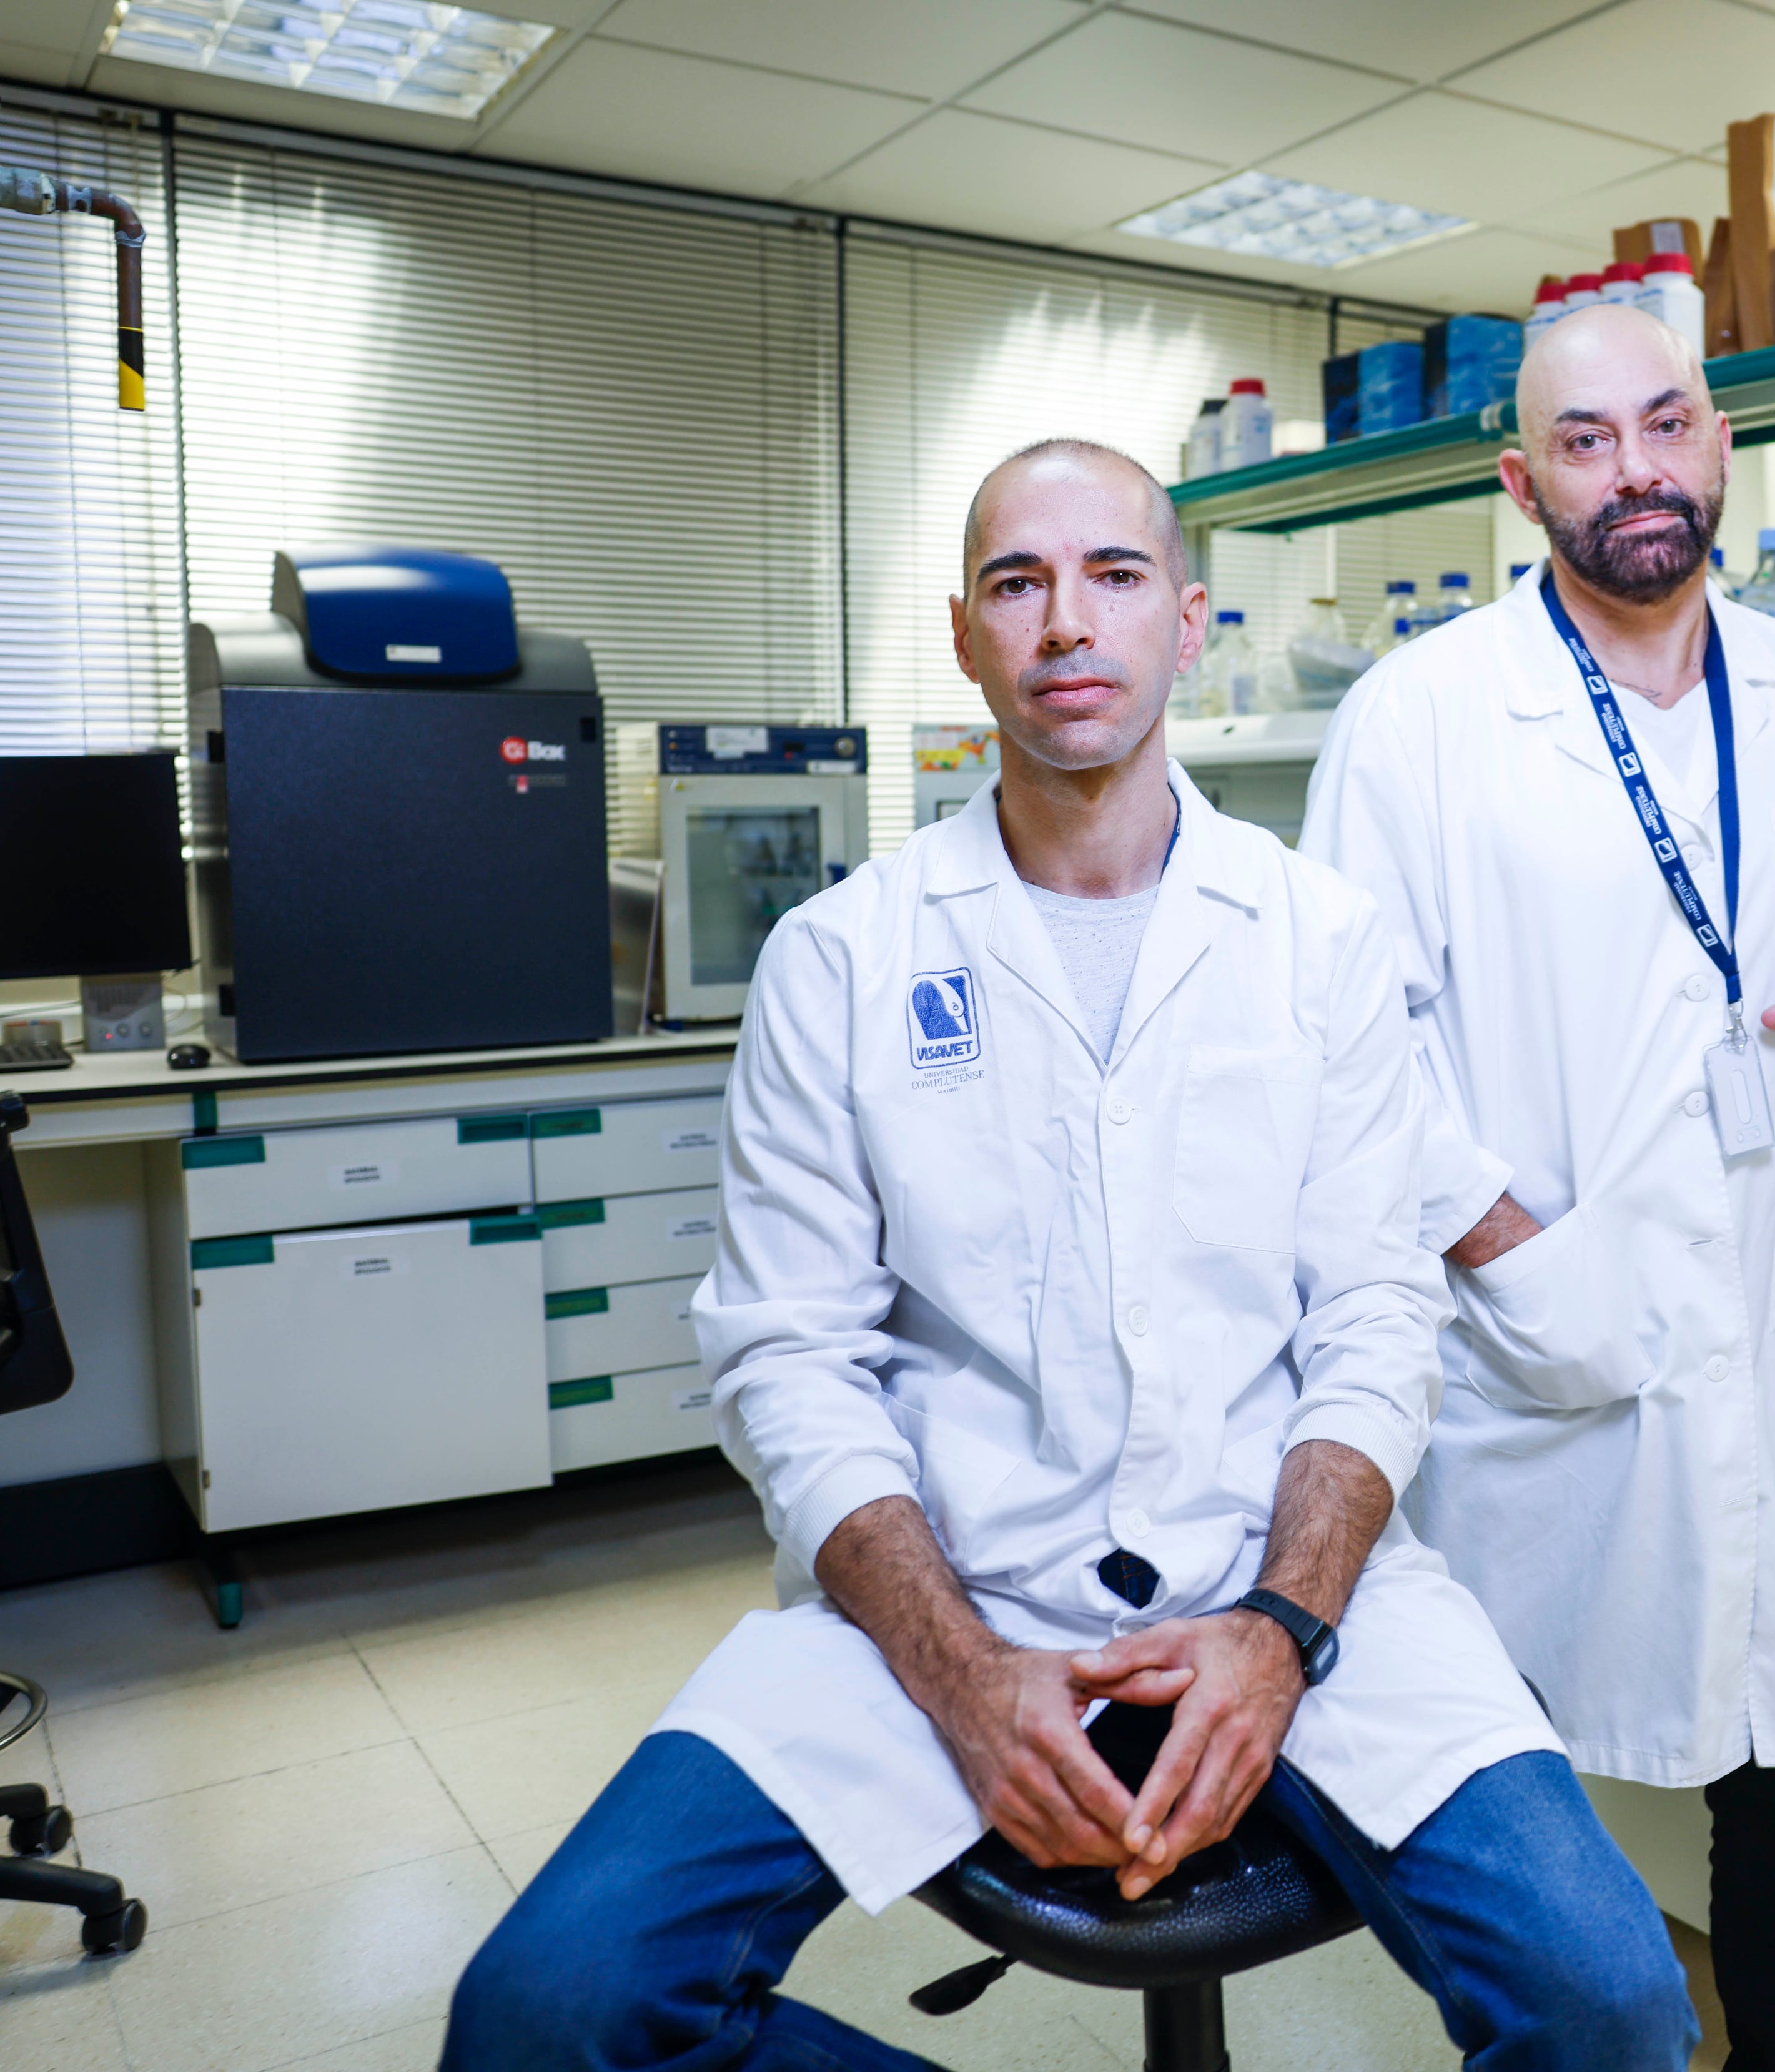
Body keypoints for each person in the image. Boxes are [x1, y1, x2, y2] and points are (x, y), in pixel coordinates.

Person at [444, 438, 1696, 2072]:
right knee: (545, 2014)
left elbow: (1381, 1323)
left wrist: (1281, 1628)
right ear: (966, 636)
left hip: (1305, 1600)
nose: (1066, 624)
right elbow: (788, 1360)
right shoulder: (843, 963)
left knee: (1612, 2003)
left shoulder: (1319, 942)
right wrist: (961, 1670)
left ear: (1183, 622)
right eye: (1019, 584)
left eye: (1111, 576)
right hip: (947, 1592)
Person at [1301, 306, 1775, 2071]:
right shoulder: (1425, 716)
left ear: (1721, 439)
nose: (1639, 471)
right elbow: (1341, 1040)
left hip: (1760, 1324)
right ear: (1523, 481)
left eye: (1666, 424)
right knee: (1519, 1806)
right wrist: (1514, 1248)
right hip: (1549, 1346)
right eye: (1588, 443)